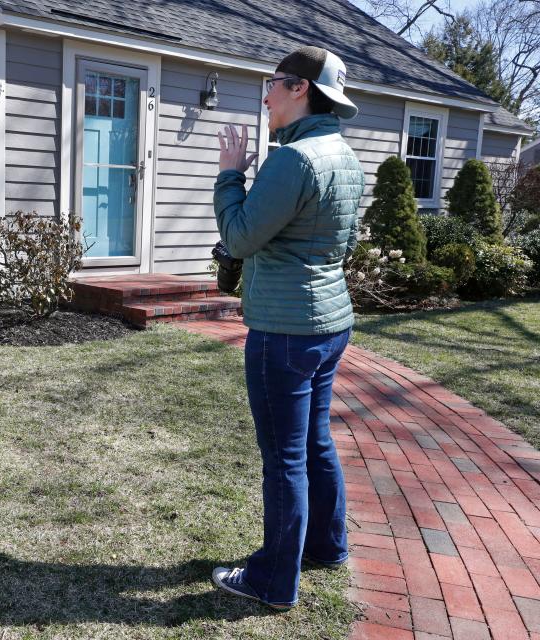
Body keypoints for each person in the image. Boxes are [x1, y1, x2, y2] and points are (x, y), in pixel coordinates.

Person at [210, 46, 365, 610]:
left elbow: (242, 236)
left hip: (285, 330)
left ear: (301, 88)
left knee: (285, 457)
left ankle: (273, 581)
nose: (266, 94)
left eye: (273, 83)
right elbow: (342, 244)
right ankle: (326, 546)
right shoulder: (343, 155)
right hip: (329, 325)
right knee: (315, 441)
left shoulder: (294, 160)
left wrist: (230, 176)